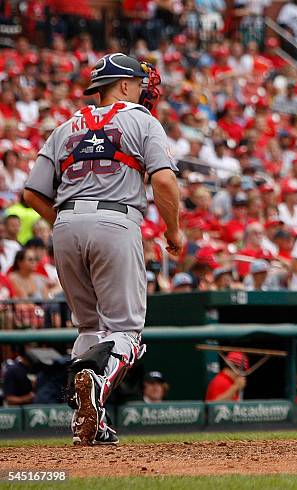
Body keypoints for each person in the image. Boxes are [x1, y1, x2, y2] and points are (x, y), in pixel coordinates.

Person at [23, 53, 184, 445]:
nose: (147, 91)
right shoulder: (143, 120)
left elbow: (31, 193)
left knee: (90, 328)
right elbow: (163, 183)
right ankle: (93, 385)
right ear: (125, 86)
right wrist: (174, 232)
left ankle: (89, 422)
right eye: (140, 85)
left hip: (65, 224)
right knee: (126, 331)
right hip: (116, 221)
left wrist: (64, 224)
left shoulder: (64, 128)